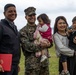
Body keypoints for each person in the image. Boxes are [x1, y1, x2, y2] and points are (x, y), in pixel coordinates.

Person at [20, 7, 51, 75]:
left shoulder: (41, 27)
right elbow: (27, 46)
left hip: (44, 65)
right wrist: (41, 45)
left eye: (33, 15)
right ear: (26, 17)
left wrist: (49, 43)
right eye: (30, 15)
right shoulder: (23, 31)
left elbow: (49, 38)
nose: (32, 17)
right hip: (32, 66)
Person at [0, 3, 21, 75]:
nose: (13, 13)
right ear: (4, 13)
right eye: (10, 11)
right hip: (4, 65)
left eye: (15, 11)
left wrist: (16, 64)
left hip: (14, 65)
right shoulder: (1, 26)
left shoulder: (14, 27)